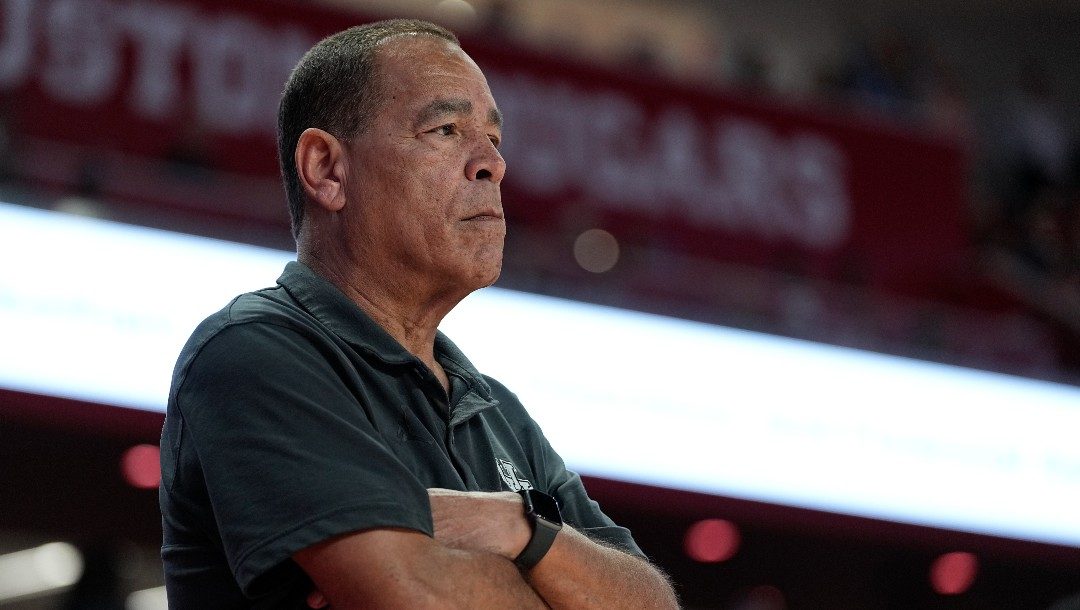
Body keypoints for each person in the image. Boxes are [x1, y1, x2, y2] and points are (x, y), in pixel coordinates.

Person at [159, 18, 679, 609]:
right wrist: (558, 577)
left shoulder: (497, 413)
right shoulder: (252, 353)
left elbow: (653, 603)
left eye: (494, 139)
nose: (491, 165)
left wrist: (519, 530)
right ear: (328, 169)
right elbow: (416, 600)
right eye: (447, 129)